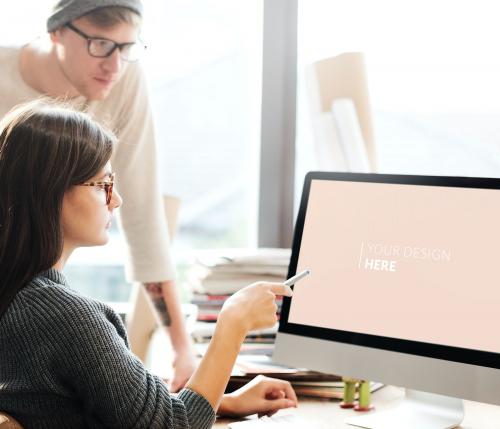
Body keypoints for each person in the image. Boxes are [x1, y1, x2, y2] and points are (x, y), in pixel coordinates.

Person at [0, 100, 297, 428]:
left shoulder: (19, 297)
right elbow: (174, 425)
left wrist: (221, 402)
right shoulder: (66, 319)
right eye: (103, 185)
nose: (116, 200)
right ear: (50, 192)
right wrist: (233, 324)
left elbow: (84, 407)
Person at [0, 0, 196, 391]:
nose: (114, 65)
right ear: (56, 31)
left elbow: (142, 215)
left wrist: (181, 350)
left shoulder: (124, 78)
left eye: (127, 48)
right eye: (101, 45)